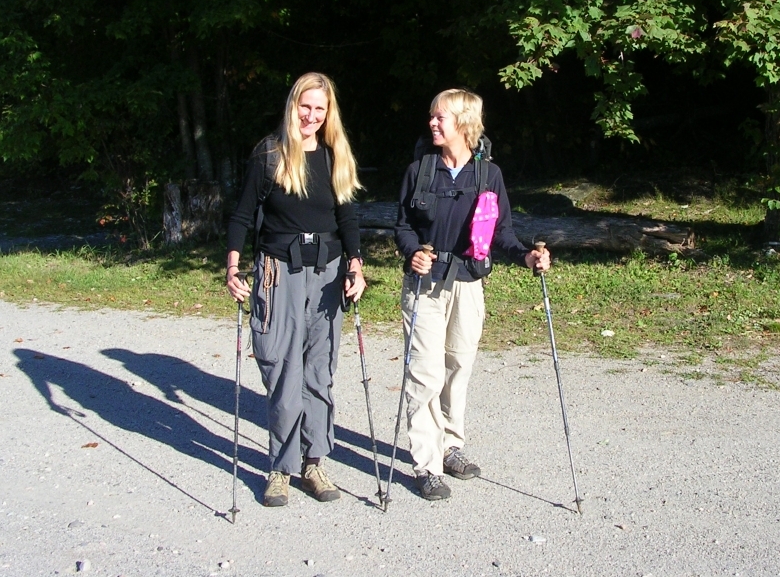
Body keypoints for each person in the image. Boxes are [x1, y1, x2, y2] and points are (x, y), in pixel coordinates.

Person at [394, 88, 549, 500]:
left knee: (458, 368)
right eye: (431, 116)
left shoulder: (488, 175)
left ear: (464, 123)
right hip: (425, 286)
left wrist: (527, 258)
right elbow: (403, 226)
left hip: (468, 283)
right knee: (424, 373)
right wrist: (413, 254)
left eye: (440, 117)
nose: (432, 123)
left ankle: (451, 446)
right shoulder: (420, 170)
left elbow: (502, 233)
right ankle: (426, 464)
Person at [225, 72, 365, 507]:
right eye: (305, 106)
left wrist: (356, 266)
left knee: (319, 371)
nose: (311, 116)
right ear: (293, 105)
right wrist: (233, 267)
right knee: (281, 368)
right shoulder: (269, 154)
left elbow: (347, 218)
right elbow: (242, 215)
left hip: (327, 273)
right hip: (277, 272)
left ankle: (314, 462)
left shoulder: (335, 153)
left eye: (320, 109)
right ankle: (281, 468)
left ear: (329, 113)